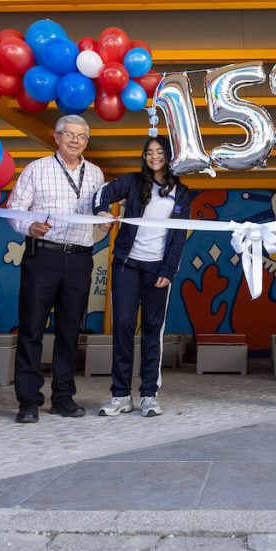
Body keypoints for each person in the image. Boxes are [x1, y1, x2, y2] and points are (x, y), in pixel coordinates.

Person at [5, 115, 104, 423]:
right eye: (69, 135)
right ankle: (29, 401)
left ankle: (63, 397)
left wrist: (105, 222)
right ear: (57, 137)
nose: (75, 140)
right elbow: (14, 210)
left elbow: (99, 212)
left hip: (79, 259)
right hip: (43, 257)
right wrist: (27, 226)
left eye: (81, 136)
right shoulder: (37, 169)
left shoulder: (96, 174)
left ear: (86, 141)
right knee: (32, 328)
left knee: (69, 331)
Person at [93, 136, 192, 418]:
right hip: (127, 264)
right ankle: (120, 395)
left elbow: (179, 238)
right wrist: (100, 211)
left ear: (170, 156)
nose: (154, 157)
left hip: (157, 270)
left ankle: (149, 394)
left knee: (152, 330)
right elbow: (102, 195)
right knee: (123, 325)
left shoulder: (182, 193)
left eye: (160, 152)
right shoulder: (133, 182)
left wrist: (168, 271)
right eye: (149, 152)